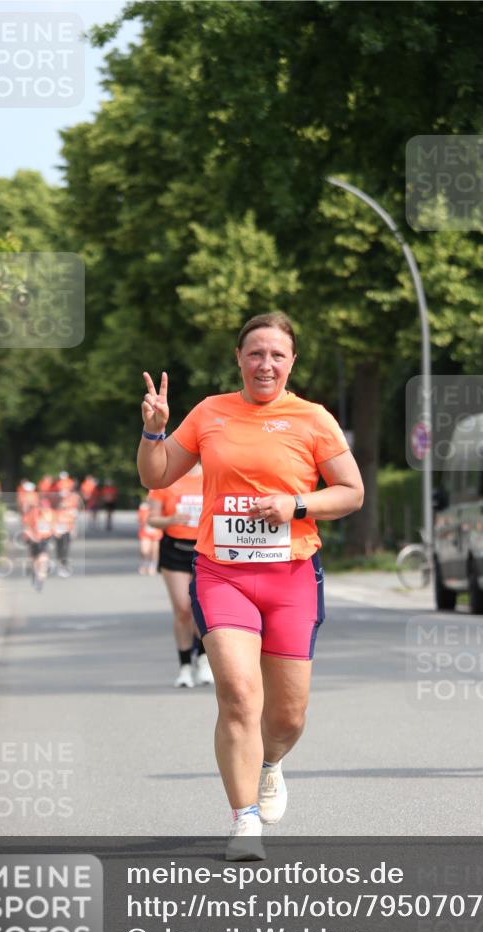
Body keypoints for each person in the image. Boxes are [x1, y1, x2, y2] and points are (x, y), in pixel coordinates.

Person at [137, 311, 364, 859]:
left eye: (276, 355)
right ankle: (243, 820)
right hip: (223, 573)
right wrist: (153, 430)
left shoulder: (312, 419)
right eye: (255, 353)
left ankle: (270, 764)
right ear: (239, 358)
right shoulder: (211, 412)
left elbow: (351, 492)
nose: (266, 364)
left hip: (292, 576)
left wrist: (297, 504)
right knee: (238, 695)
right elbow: (156, 475)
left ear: (291, 362)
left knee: (287, 716)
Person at [147, 465, 213, 688]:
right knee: (183, 609)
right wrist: (171, 519)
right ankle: (185, 666)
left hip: (206, 549)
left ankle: (204, 660)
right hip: (174, 549)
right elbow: (152, 519)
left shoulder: (213, 474)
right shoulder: (166, 479)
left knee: (202, 609)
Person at [21, 486, 55, 590]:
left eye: (45, 507)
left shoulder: (51, 514)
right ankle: (35, 573)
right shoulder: (32, 513)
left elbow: (54, 526)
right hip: (32, 539)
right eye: (41, 506)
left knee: (43, 558)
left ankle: (40, 578)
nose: (43, 509)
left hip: (44, 539)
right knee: (34, 559)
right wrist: (31, 536)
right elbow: (26, 526)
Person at [51, 487, 81, 577]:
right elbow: (51, 522)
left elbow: (73, 522)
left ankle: (64, 564)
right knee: (59, 548)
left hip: (66, 531)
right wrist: (53, 531)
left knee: (65, 548)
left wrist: (73, 531)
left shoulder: (70, 511)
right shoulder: (54, 512)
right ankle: (60, 562)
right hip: (57, 532)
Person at [137, 491, 162, 575]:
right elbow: (140, 520)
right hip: (145, 532)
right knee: (144, 550)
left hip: (156, 532)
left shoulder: (160, 506)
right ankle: (145, 563)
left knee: (154, 550)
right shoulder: (143, 508)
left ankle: (153, 566)